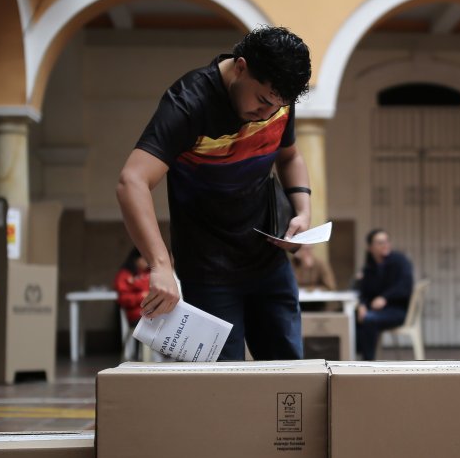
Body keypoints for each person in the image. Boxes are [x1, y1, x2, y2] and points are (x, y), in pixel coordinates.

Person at [116, 26, 313, 361]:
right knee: (222, 382)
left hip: (269, 262)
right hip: (209, 271)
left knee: (289, 375)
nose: (267, 114)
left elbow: (290, 155)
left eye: (278, 107)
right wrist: (160, 265)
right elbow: (131, 181)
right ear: (241, 67)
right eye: (262, 101)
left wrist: (303, 211)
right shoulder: (188, 103)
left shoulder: (278, 99)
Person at [354, 229, 413, 361]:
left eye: (386, 241)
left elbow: (405, 286)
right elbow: (364, 291)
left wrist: (385, 297)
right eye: (380, 242)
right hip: (375, 310)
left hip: (397, 310)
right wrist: (362, 305)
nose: (385, 245)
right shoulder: (369, 267)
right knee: (352, 316)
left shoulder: (400, 261)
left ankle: (367, 362)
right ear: (370, 247)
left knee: (369, 319)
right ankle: (350, 357)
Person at [115, 248, 152, 326]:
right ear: (136, 259)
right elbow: (123, 299)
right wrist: (141, 296)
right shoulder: (125, 275)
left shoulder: (151, 272)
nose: (148, 261)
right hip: (138, 315)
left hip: (156, 312)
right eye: (145, 258)